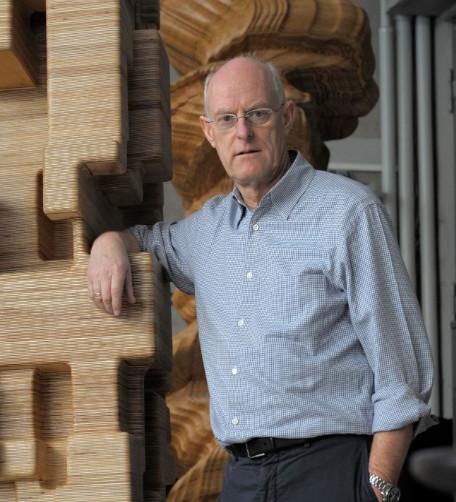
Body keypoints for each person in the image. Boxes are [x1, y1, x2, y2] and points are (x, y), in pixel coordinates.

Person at [88, 56, 435, 502]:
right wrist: (109, 244)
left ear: (286, 117)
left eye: (257, 113)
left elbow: (402, 373)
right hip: (241, 479)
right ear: (209, 132)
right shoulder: (205, 231)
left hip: (331, 471)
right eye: (227, 119)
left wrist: (377, 487)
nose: (243, 132)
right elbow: (145, 241)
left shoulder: (349, 214)